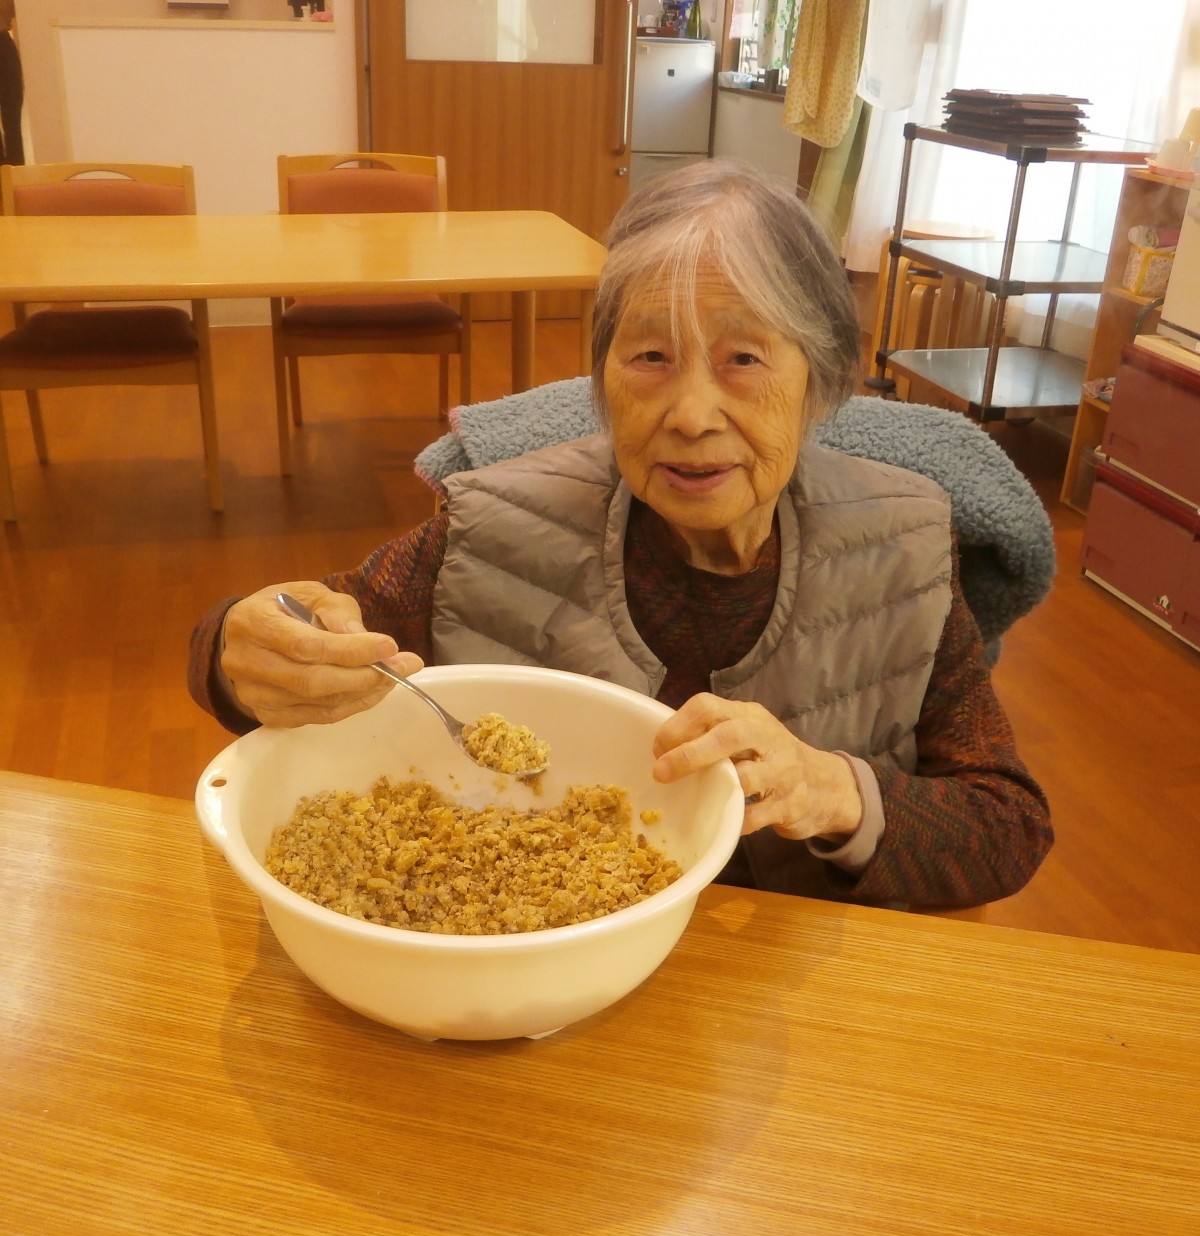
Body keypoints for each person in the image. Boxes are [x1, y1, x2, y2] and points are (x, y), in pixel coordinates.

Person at [188, 159, 1053, 909]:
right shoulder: (493, 528)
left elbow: (1007, 826)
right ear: (601, 379)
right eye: (650, 358)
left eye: (743, 360)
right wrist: (241, 646)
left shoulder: (899, 545)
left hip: (786, 990)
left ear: (821, 380)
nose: (691, 414)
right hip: (527, 975)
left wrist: (835, 792)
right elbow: (298, 638)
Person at [0, 0, 24, 168]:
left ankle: (16, 169)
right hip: (4, 42)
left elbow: (18, 9)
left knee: (13, 108)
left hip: (3, 41)